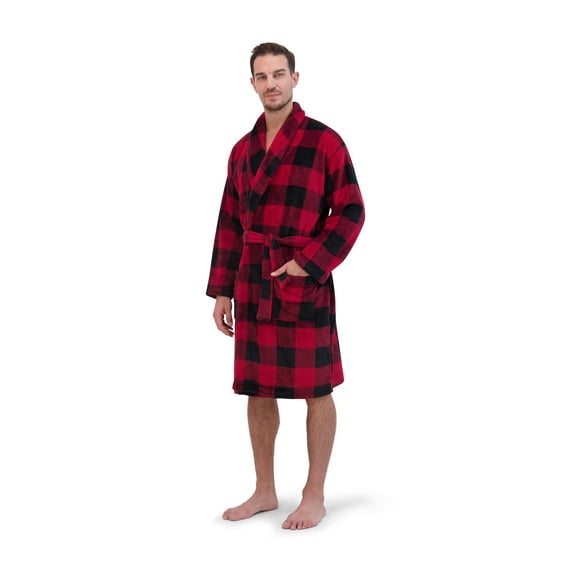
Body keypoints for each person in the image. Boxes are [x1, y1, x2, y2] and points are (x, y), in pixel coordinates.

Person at [206, 42, 365, 530]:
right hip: (252, 281)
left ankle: (314, 494)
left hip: (303, 282)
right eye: (262, 76)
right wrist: (222, 290)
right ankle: (265, 490)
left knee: (317, 389)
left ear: (295, 79)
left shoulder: (325, 142)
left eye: (279, 74)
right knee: (257, 390)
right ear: (252, 83)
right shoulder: (242, 150)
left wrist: (307, 263)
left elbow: (351, 210)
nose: (271, 83)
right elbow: (229, 221)